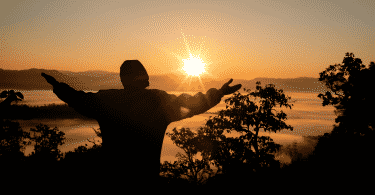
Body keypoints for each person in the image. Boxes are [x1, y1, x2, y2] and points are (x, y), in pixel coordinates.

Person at [41, 60, 241, 188]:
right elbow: (191, 103)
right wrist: (218, 93)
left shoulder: (108, 100)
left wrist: (58, 87)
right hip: (146, 181)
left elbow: (78, 99)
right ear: (144, 78)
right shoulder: (158, 101)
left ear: (123, 79)